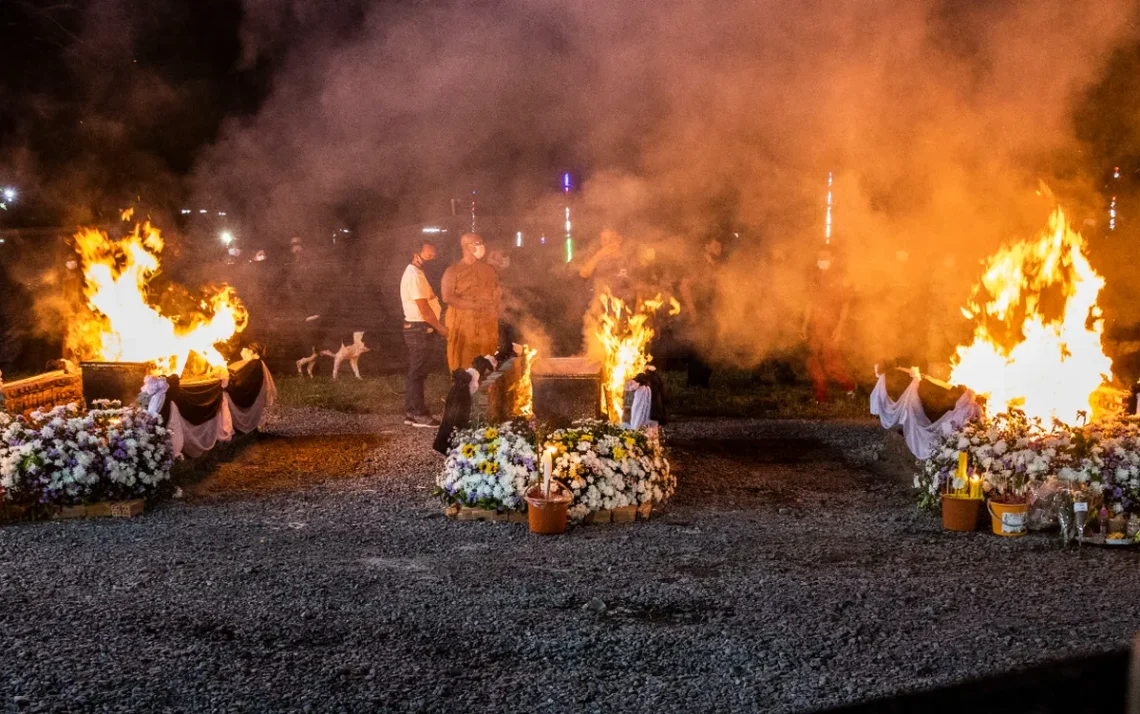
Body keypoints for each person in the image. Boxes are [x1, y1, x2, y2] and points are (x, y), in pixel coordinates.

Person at [400, 239, 447, 427]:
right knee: (417, 372)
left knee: (417, 372)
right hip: (419, 328)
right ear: (416, 252)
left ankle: (412, 413)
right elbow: (424, 308)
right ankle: (418, 414)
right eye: (429, 251)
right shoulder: (413, 274)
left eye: (434, 252)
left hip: (419, 328)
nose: (433, 254)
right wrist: (441, 328)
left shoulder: (417, 273)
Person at [800, 245, 856, 403]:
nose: (821, 260)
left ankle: (850, 387)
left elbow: (846, 305)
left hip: (831, 326)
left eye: (825, 257)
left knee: (831, 363)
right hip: (815, 326)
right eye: (819, 257)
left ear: (833, 259)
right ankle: (820, 396)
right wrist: (804, 325)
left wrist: (839, 328)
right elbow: (809, 303)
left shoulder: (840, 279)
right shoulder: (814, 278)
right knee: (814, 362)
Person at [441, 233, 501, 372]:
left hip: (486, 322)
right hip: (463, 323)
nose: (482, 247)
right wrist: (474, 306)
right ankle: (463, 390)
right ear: (467, 247)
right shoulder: (453, 271)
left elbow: (497, 291)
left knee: (487, 357)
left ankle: (487, 389)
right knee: (464, 360)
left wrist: (494, 307)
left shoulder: (488, 269)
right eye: (478, 243)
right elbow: (447, 297)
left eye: (482, 243)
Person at [679, 237, 723, 388]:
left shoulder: (716, 266)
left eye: (720, 245)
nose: (719, 247)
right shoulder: (699, 265)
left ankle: (704, 381)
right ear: (706, 246)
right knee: (699, 346)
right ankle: (694, 382)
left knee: (710, 346)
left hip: (712, 312)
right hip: (700, 310)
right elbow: (684, 285)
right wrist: (692, 310)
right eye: (715, 244)